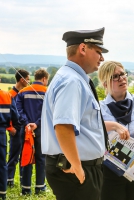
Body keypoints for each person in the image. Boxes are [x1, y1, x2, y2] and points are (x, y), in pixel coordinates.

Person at [41, 27, 123, 200]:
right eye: (99, 52)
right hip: (74, 169)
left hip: (79, 166)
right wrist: (78, 167)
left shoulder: (73, 78)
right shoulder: (71, 81)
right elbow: (63, 126)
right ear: (83, 49)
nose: (102, 58)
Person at [98, 61, 134, 200]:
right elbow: (91, 126)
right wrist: (114, 125)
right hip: (111, 168)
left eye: (123, 74)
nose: (122, 78)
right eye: (115, 76)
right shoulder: (99, 108)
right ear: (105, 83)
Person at [16, 69, 49, 195]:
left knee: (26, 157)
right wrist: (37, 123)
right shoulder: (47, 92)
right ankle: (40, 187)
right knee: (41, 158)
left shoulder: (23, 92)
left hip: (26, 130)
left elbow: (18, 110)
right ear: (44, 79)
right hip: (41, 129)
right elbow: (48, 112)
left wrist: (27, 124)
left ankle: (26, 188)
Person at [6, 69, 30, 188]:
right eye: (28, 79)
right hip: (15, 129)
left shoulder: (23, 94)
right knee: (13, 156)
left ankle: (21, 179)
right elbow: (6, 113)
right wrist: (11, 128)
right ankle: (9, 179)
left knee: (23, 155)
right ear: (22, 79)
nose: (29, 81)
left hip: (23, 128)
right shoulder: (11, 94)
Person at [0, 83, 19, 200]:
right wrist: (13, 127)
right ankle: (2, 192)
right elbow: (15, 116)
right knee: (2, 163)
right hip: (1, 133)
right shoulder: (7, 96)